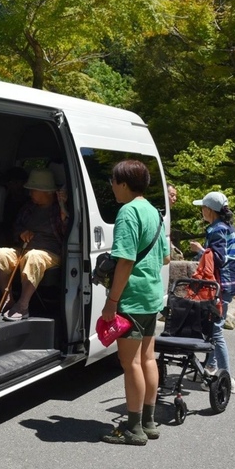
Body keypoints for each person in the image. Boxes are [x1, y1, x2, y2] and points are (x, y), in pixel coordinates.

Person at [100, 159, 170, 446]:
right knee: (147, 359)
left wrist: (112, 301)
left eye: (114, 182)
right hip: (151, 295)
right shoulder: (154, 211)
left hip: (131, 298)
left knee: (130, 364)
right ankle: (150, 422)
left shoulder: (127, 213)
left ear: (124, 184)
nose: (113, 187)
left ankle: (133, 429)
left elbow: (126, 260)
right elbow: (165, 257)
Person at [0, 168, 67, 321]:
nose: (30, 193)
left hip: (50, 253)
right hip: (26, 248)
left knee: (33, 256)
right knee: (1, 254)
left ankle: (23, 305)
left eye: (33, 190)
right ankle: (7, 299)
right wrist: (21, 232)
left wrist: (64, 212)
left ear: (47, 192)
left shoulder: (58, 209)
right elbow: (16, 227)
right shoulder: (29, 208)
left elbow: (67, 231)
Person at [189, 190, 235, 393]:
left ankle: (227, 377)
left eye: (202, 207)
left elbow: (219, 259)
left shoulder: (215, 230)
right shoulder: (228, 228)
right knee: (213, 325)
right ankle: (210, 367)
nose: (201, 211)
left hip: (221, 284)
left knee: (216, 329)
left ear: (209, 210)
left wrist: (200, 251)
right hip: (231, 282)